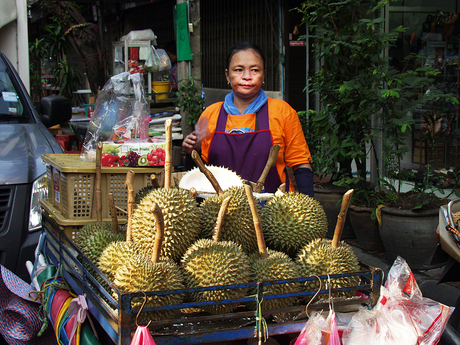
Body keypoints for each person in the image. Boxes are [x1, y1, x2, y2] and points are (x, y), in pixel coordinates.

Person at [182, 42, 314, 196]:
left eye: (255, 70)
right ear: (227, 75)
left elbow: (301, 164)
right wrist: (192, 153)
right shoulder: (210, 114)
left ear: (263, 74)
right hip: (220, 211)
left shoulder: (282, 111)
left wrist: (309, 208)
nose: (246, 76)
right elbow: (196, 175)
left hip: (274, 213)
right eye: (238, 70)